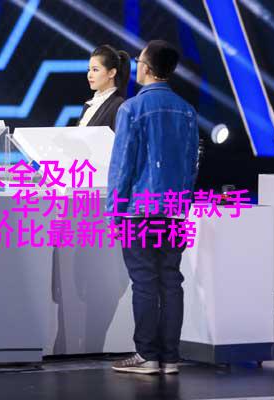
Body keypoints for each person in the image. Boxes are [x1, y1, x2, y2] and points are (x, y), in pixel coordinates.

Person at [106, 40, 199, 374]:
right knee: (171, 281)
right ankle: (170, 357)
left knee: (145, 282)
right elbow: (191, 164)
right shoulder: (186, 110)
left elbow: (123, 165)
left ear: (145, 67)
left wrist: (114, 210)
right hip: (174, 210)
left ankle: (147, 355)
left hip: (139, 210)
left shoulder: (131, 108)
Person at [77, 44, 130, 128]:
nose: (89, 75)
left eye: (95, 70)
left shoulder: (119, 105)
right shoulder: (89, 104)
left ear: (111, 73)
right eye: (89, 70)